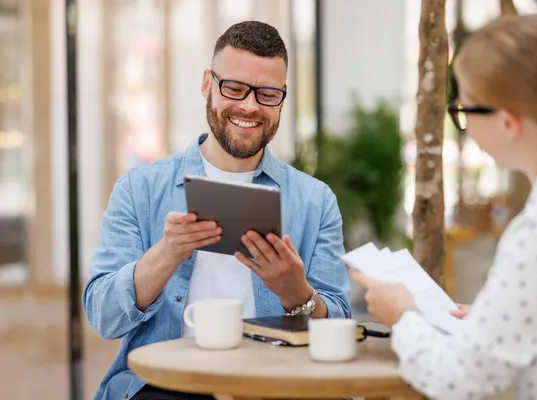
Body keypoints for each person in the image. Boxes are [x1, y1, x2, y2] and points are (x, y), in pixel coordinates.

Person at [83, 20, 351, 400]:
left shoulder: (315, 200)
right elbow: (103, 317)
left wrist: (299, 295)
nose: (250, 106)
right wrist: (166, 253)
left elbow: (342, 327)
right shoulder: (139, 188)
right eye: (236, 88)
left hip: (274, 386)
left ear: (283, 98)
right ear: (207, 84)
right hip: (165, 387)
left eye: (268, 94)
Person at [350, 14, 537, 400]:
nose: (463, 124)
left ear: (508, 123)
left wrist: (404, 317)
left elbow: (461, 380)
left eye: (464, 110)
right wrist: (497, 318)